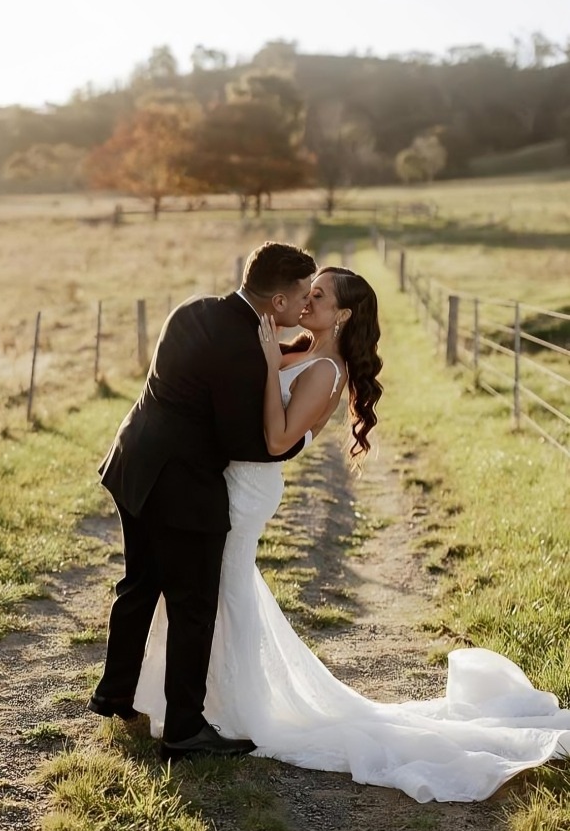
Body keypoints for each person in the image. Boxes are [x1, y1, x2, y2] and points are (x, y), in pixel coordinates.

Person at [133, 266, 570, 803]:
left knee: (221, 591)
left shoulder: (324, 371)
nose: (305, 300)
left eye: (318, 295)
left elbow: (276, 440)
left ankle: (226, 709)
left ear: (342, 314)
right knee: (215, 592)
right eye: (306, 291)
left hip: (249, 489)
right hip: (225, 482)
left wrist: (270, 368)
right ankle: (195, 705)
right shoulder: (296, 348)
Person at [88, 241, 316, 761]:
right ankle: (185, 730)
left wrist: (284, 354)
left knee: (140, 582)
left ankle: (115, 693)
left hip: (133, 462)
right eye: (301, 295)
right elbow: (249, 444)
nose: (305, 305)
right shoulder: (243, 349)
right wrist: (303, 434)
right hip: (181, 487)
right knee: (193, 605)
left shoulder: (192, 309)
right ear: (276, 303)